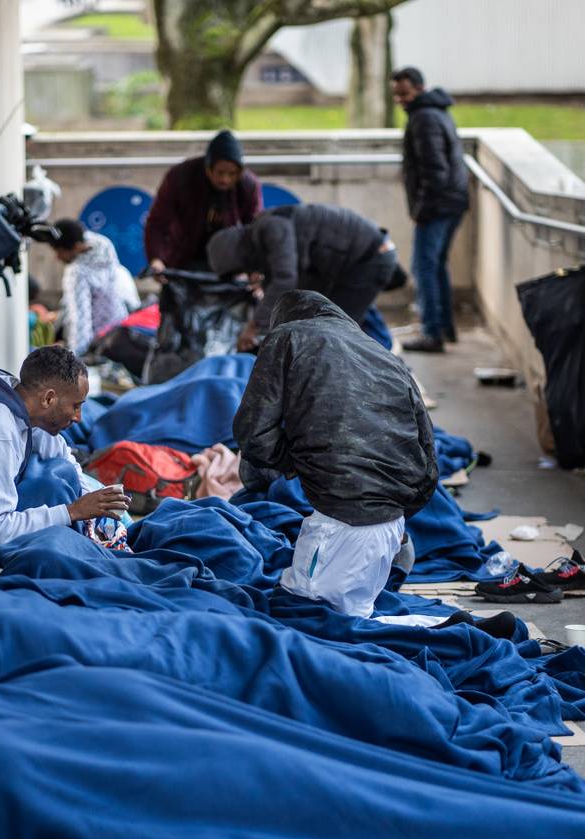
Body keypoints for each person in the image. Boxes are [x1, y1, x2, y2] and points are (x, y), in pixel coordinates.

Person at [233, 290, 438, 618]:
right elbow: (428, 454)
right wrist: (395, 514)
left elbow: (252, 433)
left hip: (342, 528)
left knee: (308, 621)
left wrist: (295, 464)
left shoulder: (286, 337)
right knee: (350, 618)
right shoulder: (380, 351)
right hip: (388, 523)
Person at [0, 346, 129, 550]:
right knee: (52, 489)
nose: (78, 417)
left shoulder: (23, 406)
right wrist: (72, 511)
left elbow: (63, 456)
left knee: (62, 471)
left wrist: (92, 505)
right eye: (75, 406)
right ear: (48, 399)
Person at [205, 204, 406, 351]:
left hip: (369, 258)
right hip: (362, 260)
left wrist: (254, 325)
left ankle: (389, 379)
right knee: (335, 321)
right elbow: (291, 285)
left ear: (237, 256)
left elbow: (285, 279)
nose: (245, 276)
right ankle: (389, 363)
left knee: (335, 332)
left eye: (240, 270)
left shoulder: (271, 228)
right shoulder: (264, 236)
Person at [391, 66, 470, 353]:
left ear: (419, 88)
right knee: (436, 266)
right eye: (396, 93)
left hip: (438, 205)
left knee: (423, 267)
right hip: (452, 201)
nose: (399, 99)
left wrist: (421, 209)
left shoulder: (423, 118)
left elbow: (434, 170)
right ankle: (444, 328)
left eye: (404, 92)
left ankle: (432, 333)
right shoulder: (435, 112)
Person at [144, 129, 262, 274]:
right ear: (208, 168)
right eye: (220, 173)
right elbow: (158, 222)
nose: (225, 179)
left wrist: (254, 269)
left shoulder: (248, 185)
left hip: (228, 263)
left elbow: (254, 229)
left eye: (231, 174)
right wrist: (157, 259)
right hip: (182, 258)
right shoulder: (180, 177)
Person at [50, 218, 138, 353]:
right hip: (119, 328)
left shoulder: (77, 273)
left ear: (77, 247)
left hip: (95, 342)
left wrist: (76, 356)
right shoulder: (105, 245)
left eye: (60, 251)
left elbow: (80, 320)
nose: (57, 257)